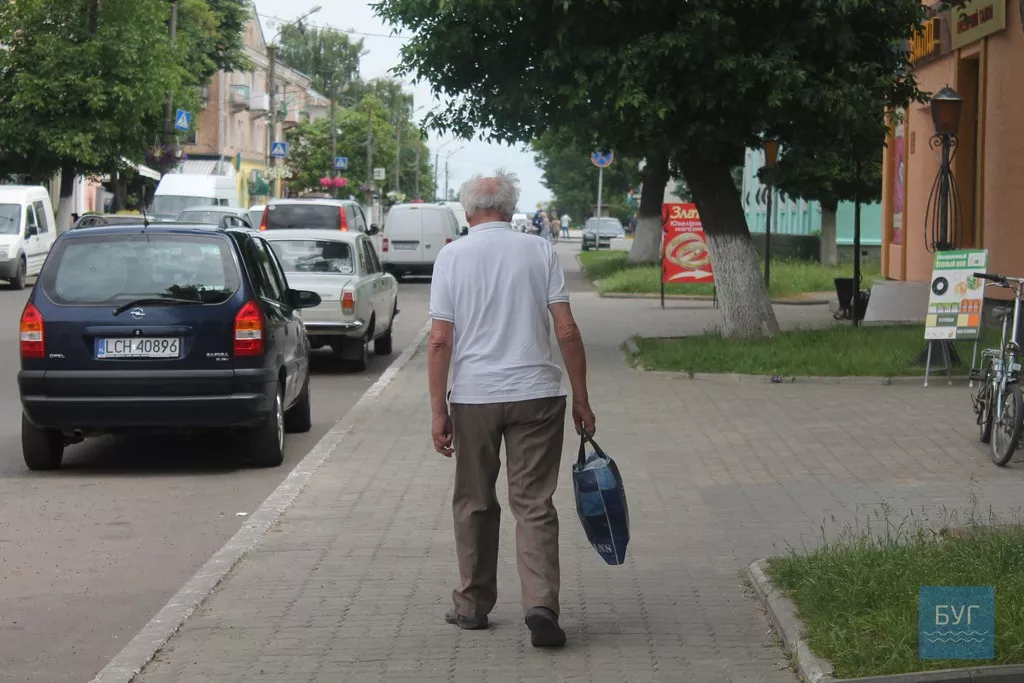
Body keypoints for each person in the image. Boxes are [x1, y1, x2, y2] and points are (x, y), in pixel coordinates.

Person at [427, 170, 596, 649]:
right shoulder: (539, 250)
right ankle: (541, 605)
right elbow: (566, 329)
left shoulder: (452, 256)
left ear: (467, 210)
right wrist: (581, 398)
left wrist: (438, 410)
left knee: (474, 500)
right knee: (534, 503)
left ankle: (472, 605)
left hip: (474, 397)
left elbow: (439, 340)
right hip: (538, 394)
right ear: (509, 206)